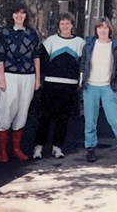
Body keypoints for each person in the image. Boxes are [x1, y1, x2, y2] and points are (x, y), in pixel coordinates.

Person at [80, 17, 117, 163]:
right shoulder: (89, 45)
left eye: (105, 27)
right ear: (96, 30)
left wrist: (116, 85)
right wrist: (82, 81)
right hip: (90, 87)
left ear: (110, 29)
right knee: (90, 121)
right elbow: (83, 64)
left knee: (115, 120)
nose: (102, 30)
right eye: (99, 27)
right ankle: (90, 148)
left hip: (107, 87)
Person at [32, 12, 85, 160]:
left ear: (72, 25)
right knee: (45, 117)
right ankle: (39, 147)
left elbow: (83, 64)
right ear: (59, 26)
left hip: (70, 86)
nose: (65, 26)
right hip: (51, 84)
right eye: (62, 23)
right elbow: (41, 60)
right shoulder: (50, 41)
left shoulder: (80, 43)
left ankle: (57, 147)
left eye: (68, 23)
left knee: (63, 118)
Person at [0, 3, 41, 163]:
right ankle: (2, 151)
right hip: (9, 75)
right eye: (16, 13)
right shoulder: (5, 33)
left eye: (22, 13)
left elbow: (36, 56)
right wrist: (1, 78)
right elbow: (0, 56)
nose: (19, 16)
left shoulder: (32, 33)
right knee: (7, 110)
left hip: (28, 76)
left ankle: (16, 149)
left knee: (22, 111)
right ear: (12, 15)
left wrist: (37, 78)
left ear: (26, 16)